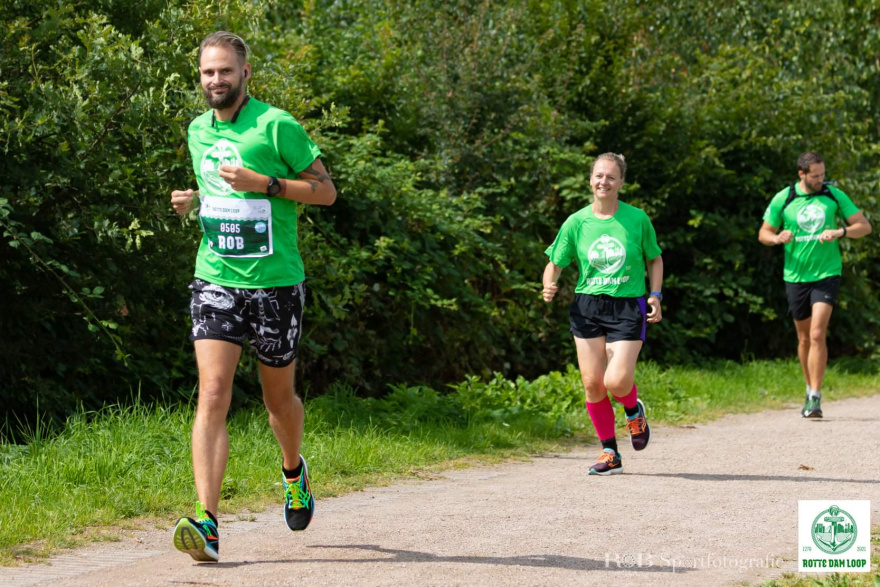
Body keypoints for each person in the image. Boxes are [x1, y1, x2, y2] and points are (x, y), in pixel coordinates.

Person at [169, 31, 336, 562]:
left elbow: (326, 192)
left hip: (276, 283)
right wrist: (191, 203)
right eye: (206, 72)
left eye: (224, 71)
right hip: (216, 277)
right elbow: (217, 191)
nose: (215, 80)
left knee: (276, 402)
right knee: (212, 394)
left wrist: (264, 183)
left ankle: (293, 471)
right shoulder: (197, 130)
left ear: (245, 74)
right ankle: (208, 522)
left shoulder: (277, 125)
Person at [542, 153, 663, 476]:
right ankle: (610, 451)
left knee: (616, 380)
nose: (603, 182)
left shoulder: (637, 220)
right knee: (593, 384)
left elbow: (654, 259)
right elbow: (556, 260)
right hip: (587, 307)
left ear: (621, 182)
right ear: (590, 180)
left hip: (627, 305)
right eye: (598, 176)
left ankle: (632, 409)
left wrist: (655, 294)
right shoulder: (577, 221)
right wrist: (548, 284)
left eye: (610, 177)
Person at [758, 152, 871, 418]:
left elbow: (864, 226)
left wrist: (840, 231)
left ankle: (816, 397)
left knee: (818, 333)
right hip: (796, 276)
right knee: (804, 337)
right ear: (802, 174)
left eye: (823, 174)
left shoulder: (833, 195)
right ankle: (808, 388)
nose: (821, 179)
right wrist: (777, 238)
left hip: (827, 273)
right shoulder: (784, 198)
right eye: (816, 176)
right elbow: (764, 233)